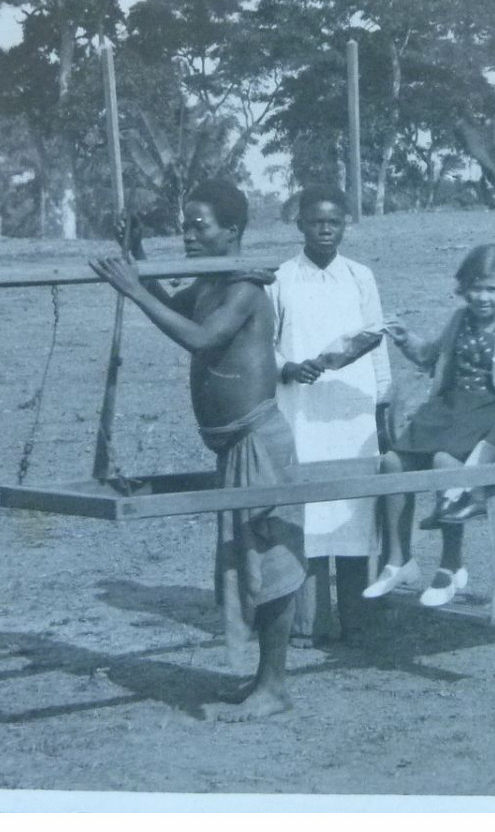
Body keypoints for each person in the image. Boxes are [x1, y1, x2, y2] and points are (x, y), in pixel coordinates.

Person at [95, 182, 304, 721]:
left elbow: (201, 339)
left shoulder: (243, 289)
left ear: (230, 232)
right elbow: (173, 309)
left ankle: (275, 687)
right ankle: (264, 679)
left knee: (271, 566)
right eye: (184, 225)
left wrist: (134, 290)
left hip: (260, 441)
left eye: (200, 225)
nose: (188, 234)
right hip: (234, 446)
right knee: (250, 566)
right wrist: (136, 259)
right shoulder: (210, 285)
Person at [363, 244, 495, 608]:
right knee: (392, 464)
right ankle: (399, 560)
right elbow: (430, 356)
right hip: (449, 407)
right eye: (475, 288)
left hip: (493, 412)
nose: (482, 297)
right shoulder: (460, 319)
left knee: (446, 462)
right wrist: (404, 338)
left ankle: (450, 565)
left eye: (492, 289)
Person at [268, 185, 391, 644]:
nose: (325, 229)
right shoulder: (279, 279)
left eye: (334, 222)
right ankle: (310, 622)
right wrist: (288, 367)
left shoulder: (360, 277)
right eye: (316, 221)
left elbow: (376, 337)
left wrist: (381, 399)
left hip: (352, 412)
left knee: (354, 511)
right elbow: (266, 345)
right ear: (300, 224)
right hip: (301, 410)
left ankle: (359, 619)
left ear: (345, 226)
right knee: (310, 512)